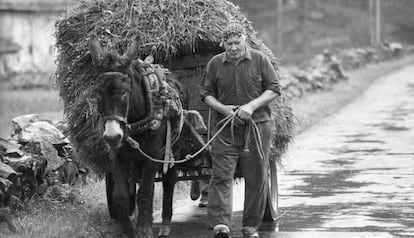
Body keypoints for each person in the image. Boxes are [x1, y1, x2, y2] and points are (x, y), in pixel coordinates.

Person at [199, 20, 281, 238]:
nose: (233, 47)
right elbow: (206, 94)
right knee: (221, 175)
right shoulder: (215, 64)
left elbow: (274, 89)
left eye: (237, 42)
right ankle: (221, 225)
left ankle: (250, 226)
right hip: (225, 129)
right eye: (229, 43)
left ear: (245, 40)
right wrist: (224, 110)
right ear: (222, 43)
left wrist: (251, 106)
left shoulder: (260, 60)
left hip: (257, 127)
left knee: (256, 176)